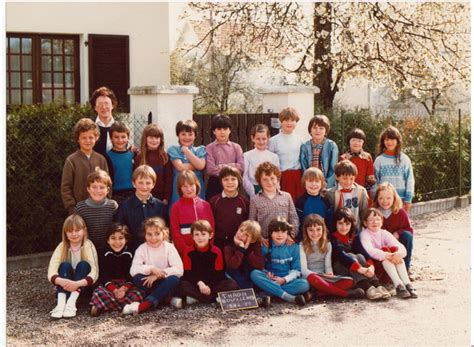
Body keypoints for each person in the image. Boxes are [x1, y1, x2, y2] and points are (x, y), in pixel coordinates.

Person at [122, 217, 183, 315]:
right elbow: (133, 270)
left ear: (164, 233)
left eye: (157, 234)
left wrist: (158, 275)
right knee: (137, 278)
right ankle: (166, 298)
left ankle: (147, 304)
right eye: (149, 234)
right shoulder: (142, 248)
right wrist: (151, 268)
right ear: (144, 235)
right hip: (150, 281)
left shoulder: (169, 247)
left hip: (165, 280)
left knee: (174, 279)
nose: (153, 238)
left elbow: (179, 269)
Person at [174, 220, 239, 307]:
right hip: (196, 283)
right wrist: (200, 283)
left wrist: (209, 286)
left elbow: (219, 273)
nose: (200, 238)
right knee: (181, 284)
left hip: (212, 283)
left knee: (232, 284)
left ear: (210, 235)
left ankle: (200, 298)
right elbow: (188, 273)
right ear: (192, 236)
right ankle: (213, 298)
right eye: (197, 234)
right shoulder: (188, 251)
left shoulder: (216, 251)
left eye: (203, 234)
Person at [330, 208, 390, 300]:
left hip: (355, 267)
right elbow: (342, 255)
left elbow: (362, 250)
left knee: (360, 256)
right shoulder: (333, 238)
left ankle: (377, 285)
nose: (344, 227)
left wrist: (371, 266)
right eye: (340, 223)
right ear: (335, 223)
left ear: (351, 224)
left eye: (347, 224)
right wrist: (360, 268)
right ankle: (367, 287)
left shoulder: (352, 235)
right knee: (351, 256)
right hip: (340, 267)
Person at [299, 214, 365, 299]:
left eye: (318, 229)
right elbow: (303, 270)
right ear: (306, 231)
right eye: (311, 230)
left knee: (350, 281)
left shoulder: (327, 244)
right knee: (313, 278)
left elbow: (328, 265)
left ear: (323, 229)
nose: (315, 233)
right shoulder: (302, 245)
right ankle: (345, 294)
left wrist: (329, 273)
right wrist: (317, 276)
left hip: (324, 277)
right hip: (310, 277)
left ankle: (316, 294)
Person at [47, 214, 99, 319]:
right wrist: (61, 281)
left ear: (84, 230)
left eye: (77, 230)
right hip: (65, 284)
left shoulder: (88, 245)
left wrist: (77, 284)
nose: (74, 234)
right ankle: (61, 304)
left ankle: (71, 304)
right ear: (65, 233)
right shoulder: (62, 246)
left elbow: (95, 272)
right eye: (70, 231)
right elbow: (51, 270)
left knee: (83, 265)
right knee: (64, 265)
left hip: (82, 286)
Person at [359, 208, 417, 299]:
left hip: (389, 269)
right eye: (371, 220)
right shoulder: (364, 234)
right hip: (375, 268)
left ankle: (407, 284)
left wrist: (398, 254)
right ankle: (398, 285)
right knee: (386, 250)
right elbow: (369, 250)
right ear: (365, 223)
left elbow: (399, 246)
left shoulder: (384, 233)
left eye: (378, 219)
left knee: (395, 252)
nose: (375, 222)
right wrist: (386, 255)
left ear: (382, 222)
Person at [250, 218, 309, 306]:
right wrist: (266, 273)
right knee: (254, 274)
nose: (280, 235)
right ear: (270, 233)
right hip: (270, 279)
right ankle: (289, 297)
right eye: (276, 231)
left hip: (286, 280)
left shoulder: (294, 247)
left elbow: (296, 270)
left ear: (287, 233)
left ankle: (268, 293)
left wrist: (285, 279)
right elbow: (261, 266)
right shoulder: (265, 246)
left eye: (283, 232)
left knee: (304, 284)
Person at [89, 224, 144, 316]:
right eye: (113, 238)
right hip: (110, 286)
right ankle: (125, 307)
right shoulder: (104, 253)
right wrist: (114, 290)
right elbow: (104, 276)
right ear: (108, 240)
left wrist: (124, 289)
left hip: (126, 285)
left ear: (126, 240)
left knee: (138, 293)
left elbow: (132, 275)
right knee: (98, 293)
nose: (117, 242)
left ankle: (105, 306)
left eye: (121, 238)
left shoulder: (131, 253)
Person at [61, 118, 109, 215]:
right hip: (79, 211)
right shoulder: (71, 160)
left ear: (96, 137)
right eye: (84, 138)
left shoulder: (101, 159)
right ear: (78, 139)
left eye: (91, 137)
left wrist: (106, 203)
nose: (88, 141)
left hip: (100, 209)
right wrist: (72, 208)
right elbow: (66, 187)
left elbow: (108, 184)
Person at [114, 165, 166, 251]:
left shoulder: (159, 206)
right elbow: (121, 231)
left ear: (153, 184)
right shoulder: (125, 207)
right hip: (133, 252)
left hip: (157, 251)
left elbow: (165, 230)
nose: (144, 187)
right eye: (140, 182)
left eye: (148, 183)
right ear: (134, 183)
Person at [249, 162, 299, 240]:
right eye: (265, 179)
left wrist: (291, 235)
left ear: (278, 179)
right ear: (260, 181)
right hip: (265, 242)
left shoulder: (287, 196)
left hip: (285, 240)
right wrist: (260, 238)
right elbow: (252, 223)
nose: (269, 182)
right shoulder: (255, 200)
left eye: (272, 178)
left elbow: (294, 218)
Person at [170, 170, 215, 257]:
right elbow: (175, 232)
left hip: (205, 254)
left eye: (191, 185)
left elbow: (212, 228)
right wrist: (186, 251)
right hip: (185, 255)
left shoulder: (205, 205)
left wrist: (208, 248)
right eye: (184, 186)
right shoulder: (176, 207)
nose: (189, 189)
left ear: (196, 185)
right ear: (180, 188)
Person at [373, 125, 415, 213]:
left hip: (401, 201)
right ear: (383, 141)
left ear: (397, 141)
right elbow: (375, 182)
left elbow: (410, 180)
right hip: (383, 203)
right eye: (386, 139)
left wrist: (408, 199)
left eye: (392, 139)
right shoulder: (379, 160)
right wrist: (375, 199)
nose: (389, 142)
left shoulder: (405, 159)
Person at [374, 182, 414, 270]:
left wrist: (398, 233)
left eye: (388, 198)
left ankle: (406, 268)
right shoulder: (375, 213)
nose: (385, 201)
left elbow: (409, 230)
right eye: (381, 198)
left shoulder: (400, 212)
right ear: (377, 199)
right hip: (382, 243)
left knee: (407, 236)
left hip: (397, 241)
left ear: (394, 198)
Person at [209, 166, 249, 251]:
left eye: (233, 179)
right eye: (226, 179)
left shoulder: (244, 202)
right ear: (221, 182)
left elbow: (247, 223)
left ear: (239, 181)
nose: (230, 182)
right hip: (219, 243)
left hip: (238, 243)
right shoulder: (214, 201)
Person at [167, 119, 206, 207]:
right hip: (179, 188)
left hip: (195, 188)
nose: (187, 137)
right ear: (178, 135)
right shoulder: (173, 149)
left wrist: (186, 151)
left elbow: (201, 165)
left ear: (195, 135)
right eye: (183, 134)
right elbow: (180, 167)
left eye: (190, 134)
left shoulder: (200, 149)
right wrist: (196, 164)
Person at [75, 170, 118, 249]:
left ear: (108, 190)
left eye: (102, 187)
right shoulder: (81, 207)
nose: (98, 191)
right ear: (88, 189)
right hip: (87, 248)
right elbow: (78, 230)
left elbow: (117, 229)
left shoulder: (112, 206)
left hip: (109, 248)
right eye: (94, 187)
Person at [205, 114, 244, 200]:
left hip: (233, 183)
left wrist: (220, 166)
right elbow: (210, 169)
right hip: (215, 184)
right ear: (214, 131)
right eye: (219, 129)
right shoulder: (209, 148)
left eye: (225, 129)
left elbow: (241, 167)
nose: (222, 132)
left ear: (230, 130)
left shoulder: (236, 147)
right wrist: (233, 165)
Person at [268, 107, 304, 201]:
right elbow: (270, 162)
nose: (289, 123)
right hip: (282, 177)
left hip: (297, 176)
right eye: (286, 120)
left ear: (296, 122)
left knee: (298, 203)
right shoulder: (273, 141)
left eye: (292, 120)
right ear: (281, 121)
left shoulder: (300, 140)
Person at [134, 123, 173, 207]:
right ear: (145, 139)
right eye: (151, 137)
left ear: (161, 139)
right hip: (142, 198)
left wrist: (166, 198)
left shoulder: (165, 157)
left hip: (160, 199)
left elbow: (168, 179)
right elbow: (135, 179)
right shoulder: (139, 158)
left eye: (157, 137)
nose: (154, 140)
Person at [326, 160, 369, 231]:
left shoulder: (361, 191)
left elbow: (363, 213)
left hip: (356, 231)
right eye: (344, 178)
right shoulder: (330, 193)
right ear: (337, 177)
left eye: (351, 179)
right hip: (337, 231)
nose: (348, 182)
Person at [300, 115, 339, 189]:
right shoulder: (305, 146)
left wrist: (326, 185)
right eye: (315, 128)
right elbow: (304, 167)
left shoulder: (332, 146)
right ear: (310, 130)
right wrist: (309, 184)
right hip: (311, 185)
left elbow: (333, 168)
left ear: (326, 131)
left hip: (328, 186)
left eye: (321, 128)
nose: (317, 130)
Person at [243, 124, 280, 198]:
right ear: (252, 138)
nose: (261, 142)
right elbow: (245, 177)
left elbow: (277, 176)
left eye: (264, 139)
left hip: (270, 188)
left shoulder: (273, 156)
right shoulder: (247, 156)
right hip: (255, 188)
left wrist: (275, 189)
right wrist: (252, 192)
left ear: (268, 138)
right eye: (258, 139)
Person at [295, 167, 332, 236]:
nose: (313, 184)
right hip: (306, 237)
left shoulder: (326, 200)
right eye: (310, 181)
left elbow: (330, 221)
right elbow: (298, 222)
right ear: (304, 182)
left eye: (317, 181)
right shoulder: (301, 202)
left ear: (322, 183)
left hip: (323, 237)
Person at [105, 121, 135, 204]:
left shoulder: (133, 155)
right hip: (115, 195)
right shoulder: (107, 157)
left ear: (128, 137)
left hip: (133, 193)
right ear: (111, 138)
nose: (120, 140)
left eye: (123, 137)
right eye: (116, 137)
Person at [338, 128, 375, 192]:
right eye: (353, 140)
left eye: (359, 141)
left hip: (363, 191)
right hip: (346, 191)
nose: (356, 143)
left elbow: (370, 178)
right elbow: (340, 178)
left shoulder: (367, 157)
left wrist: (364, 192)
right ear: (349, 141)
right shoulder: (343, 158)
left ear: (363, 142)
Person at [90, 86, 117, 157]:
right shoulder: (90, 127)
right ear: (95, 107)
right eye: (100, 104)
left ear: (112, 105)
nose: (104, 107)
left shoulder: (120, 127)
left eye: (106, 103)